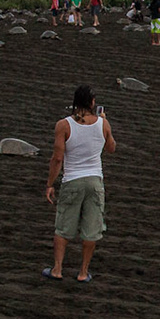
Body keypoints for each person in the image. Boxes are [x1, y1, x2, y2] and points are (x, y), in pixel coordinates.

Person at [44, 84, 115, 281]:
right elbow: (111, 148)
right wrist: (105, 123)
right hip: (94, 181)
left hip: (73, 180)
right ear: (93, 103)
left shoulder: (64, 125)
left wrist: (50, 183)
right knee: (91, 230)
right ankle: (83, 272)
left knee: (63, 228)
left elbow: (57, 159)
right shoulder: (103, 124)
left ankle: (57, 269)